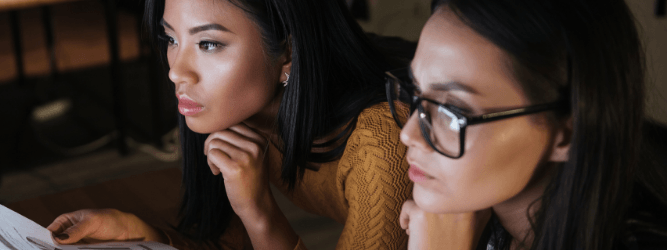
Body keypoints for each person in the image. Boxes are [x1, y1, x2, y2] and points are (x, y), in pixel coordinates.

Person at [46, 0, 417, 249]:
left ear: (288, 52)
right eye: (171, 38)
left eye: (208, 44)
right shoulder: (232, 108)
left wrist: (259, 212)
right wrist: (142, 235)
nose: (177, 70)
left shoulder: (383, 143)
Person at [392, 0, 667, 249]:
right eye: (416, 90)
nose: (409, 134)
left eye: (453, 110)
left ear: (567, 134)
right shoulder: (471, 221)